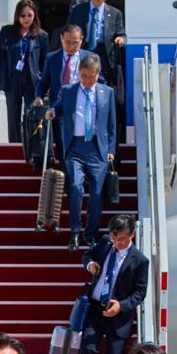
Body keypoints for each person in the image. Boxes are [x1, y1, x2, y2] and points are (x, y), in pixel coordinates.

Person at [80, 216, 148, 354]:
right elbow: (87, 255)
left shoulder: (140, 261)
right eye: (114, 237)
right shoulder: (105, 243)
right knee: (87, 347)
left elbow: (140, 293)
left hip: (118, 315)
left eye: (122, 239)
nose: (117, 243)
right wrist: (90, 264)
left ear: (132, 235)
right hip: (95, 308)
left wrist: (121, 306)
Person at [49, 54, 117, 250]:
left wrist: (111, 149)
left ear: (98, 74)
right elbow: (58, 107)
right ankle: (75, 232)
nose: (87, 80)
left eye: (91, 76)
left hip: (98, 148)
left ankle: (91, 233)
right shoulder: (68, 90)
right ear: (79, 73)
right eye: (84, 76)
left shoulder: (107, 92)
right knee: (76, 187)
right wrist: (51, 111)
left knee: (96, 192)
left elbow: (112, 124)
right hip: (75, 147)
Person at [67, 0, 126, 132]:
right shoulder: (78, 11)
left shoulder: (115, 13)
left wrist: (121, 39)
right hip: (84, 53)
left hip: (105, 56)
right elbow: (68, 30)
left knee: (103, 96)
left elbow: (122, 33)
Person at [0, 0, 49, 151]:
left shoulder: (41, 35)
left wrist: (45, 83)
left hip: (32, 81)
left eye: (29, 15)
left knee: (32, 112)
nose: (26, 19)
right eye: (23, 16)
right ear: (17, 16)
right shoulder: (7, 31)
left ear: (34, 15)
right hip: (12, 78)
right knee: (13, 113)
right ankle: (15, 146)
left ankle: (32, 147)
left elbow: (45, 61)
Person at [34, 23, 94, 112]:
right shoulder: (52, 58)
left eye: (75, 43)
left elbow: (99, 82)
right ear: (61, 38)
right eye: (67, 42)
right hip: (58, 106)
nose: (71, 46)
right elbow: (44, 82)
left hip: (82, 104)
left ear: (81, 39)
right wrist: (39, 96)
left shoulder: (89, 58)